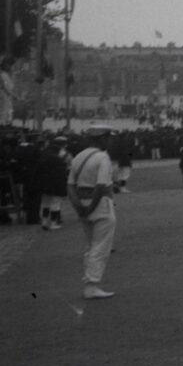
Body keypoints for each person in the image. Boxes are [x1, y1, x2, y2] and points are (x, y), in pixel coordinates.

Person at [67, 125, 118, 299]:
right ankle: (92, 284)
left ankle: (89, 281)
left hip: (81, 200)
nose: (109, 141)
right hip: (101, 203)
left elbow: (71, 186)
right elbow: (101, 186)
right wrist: (92, 206)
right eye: (108, 137)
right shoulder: (103, 157)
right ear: (101, 139)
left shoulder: (78, 157)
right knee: (101, 245)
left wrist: (79, 207)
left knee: (90, 245)